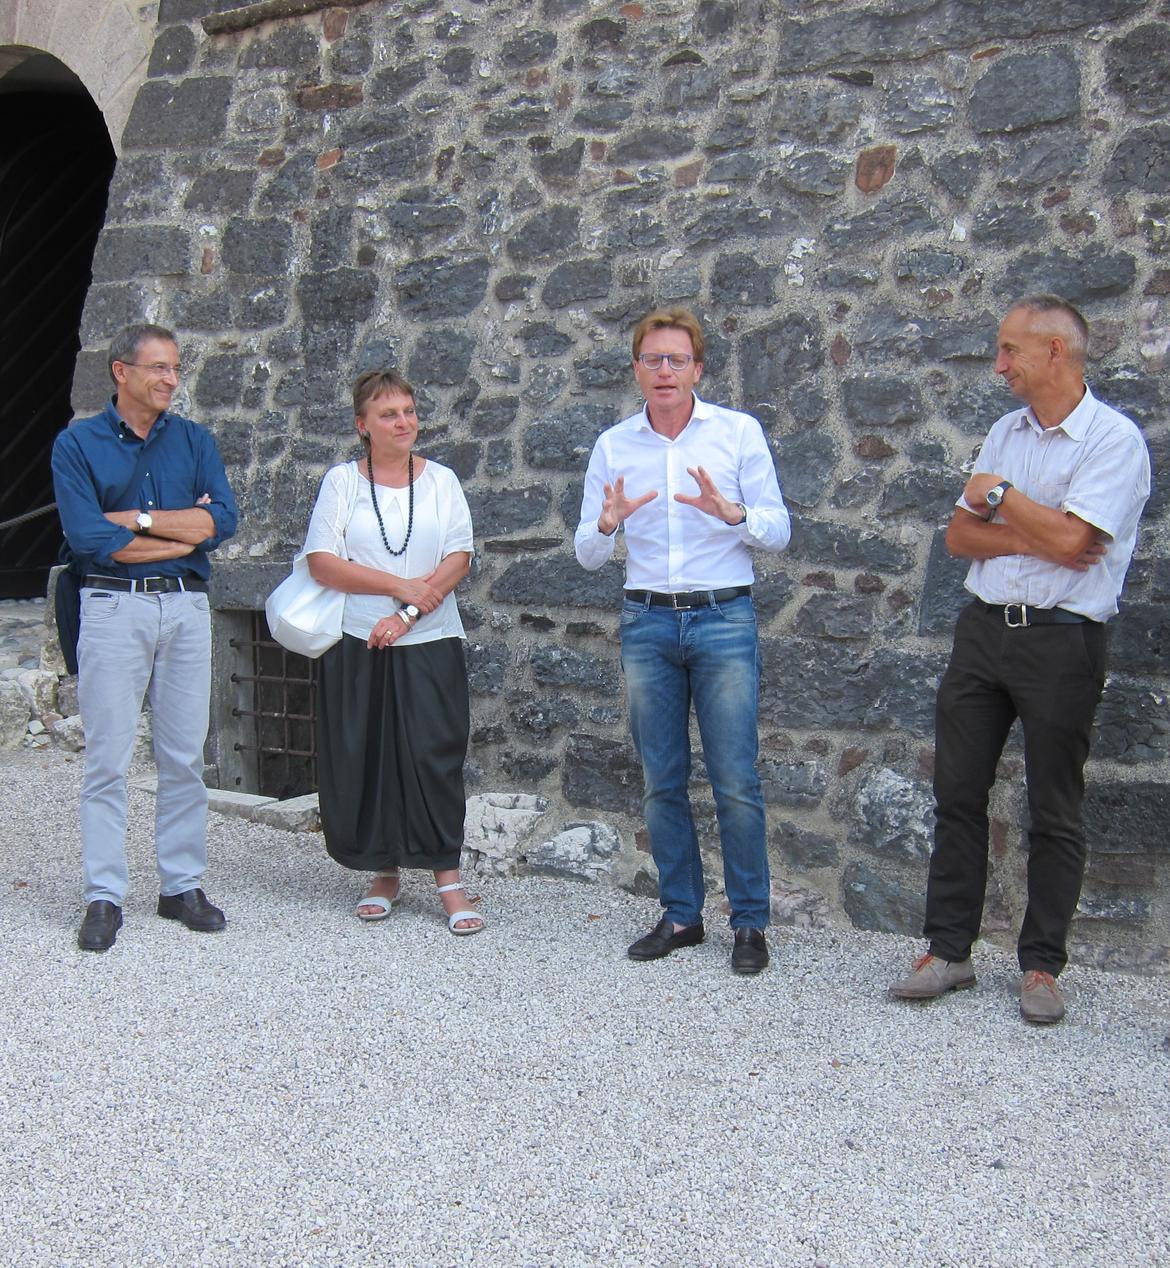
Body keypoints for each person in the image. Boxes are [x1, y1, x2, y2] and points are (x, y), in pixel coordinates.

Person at [890, 295, 1151, 1024]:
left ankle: (1041, 966)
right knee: (957, 793)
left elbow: (1074, 543)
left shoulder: (1113, 440)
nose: (999, 364)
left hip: (1063, 640)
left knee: (1054, 807)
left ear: (1055, 351)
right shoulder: (1006, 430)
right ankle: (948, 952)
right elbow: (960, 538)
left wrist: (1001, 496)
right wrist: (1034, 529)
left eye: (1010, 350)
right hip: (984, 631)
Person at [574, 307, 791, 974]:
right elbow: (586, 553)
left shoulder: (737, 433)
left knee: (735, 778)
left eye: (677, 359)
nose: (664, 370)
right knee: (660, 778)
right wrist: (607, 524)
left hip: (723, 618)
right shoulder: (614, 445)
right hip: (648, 622)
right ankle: (681, 915)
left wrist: (734, 514)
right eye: (652, 360)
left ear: (698, 369)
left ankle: (749, 923)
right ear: (636, 369)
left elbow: (779, 530)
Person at [51, 323, 238, 952]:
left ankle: (180, 886)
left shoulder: (194, 440)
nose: (170, 380)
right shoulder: (77, 445)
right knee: (107, 760)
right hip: (111, 605)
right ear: (121, 372)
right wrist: (185, 534)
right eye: (159, 367)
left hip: (185, 607)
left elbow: (223, 521)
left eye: (175, 368)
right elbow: (89, 538)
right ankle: (104, 895)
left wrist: (139, 520)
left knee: (183, 757)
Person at [303, 370, 481, 933]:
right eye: (388, 414)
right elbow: (322, 562)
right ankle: (383, 872)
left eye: (409, 410)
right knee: (368, 757)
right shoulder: (341, 483)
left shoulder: (442, 480)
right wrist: (399, 586)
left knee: (434, 755)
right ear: (363, 425)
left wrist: (405, 613)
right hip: (358, 638)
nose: (403, 422)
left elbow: (458, 557)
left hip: (428, 636)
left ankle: (448, 879)